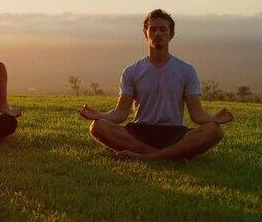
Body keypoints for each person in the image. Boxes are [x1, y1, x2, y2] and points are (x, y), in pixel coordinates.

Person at [79, 9, 232, 160]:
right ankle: (170, 155)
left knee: (215, 131)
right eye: (153, 29)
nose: (158, 33)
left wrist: (214, 119)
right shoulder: (132, 71)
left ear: (171, 35)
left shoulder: (186, 70)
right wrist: (100, 115)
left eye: (163, 29)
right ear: (146, 34)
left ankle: (146, 156)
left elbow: (197, 114)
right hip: (140, 132)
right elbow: (121, 113)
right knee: (97, 127)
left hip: (175, 133)